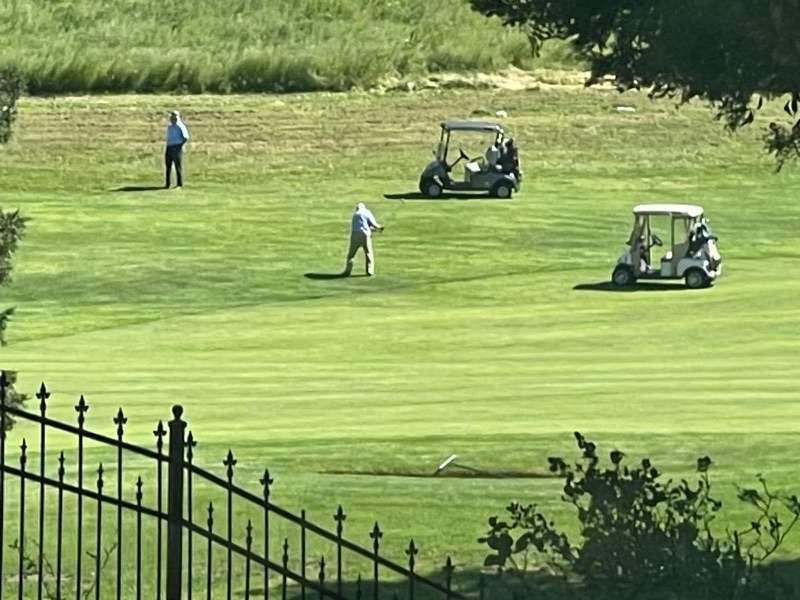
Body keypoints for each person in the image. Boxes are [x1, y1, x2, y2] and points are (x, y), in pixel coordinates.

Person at [343, 203, 384, 277]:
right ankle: (369, 271)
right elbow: (372, 224)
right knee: (368, 253)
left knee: (351, 255)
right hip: (365, 235)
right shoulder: (367, 212)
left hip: (355, 234)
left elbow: (361, 226)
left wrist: (376, 229)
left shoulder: (355, 215)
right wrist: (380, 228)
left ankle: (347, 271)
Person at [164, 110, 190, 189]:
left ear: (178, 117)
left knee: (177, 166)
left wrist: (180, 145)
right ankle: (167, 184)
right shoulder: (170, 127)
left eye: (174, 116)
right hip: (169, 147)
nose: (172, 117)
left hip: (177, 147)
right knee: (168, 166)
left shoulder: (180, 126)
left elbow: (186, 137)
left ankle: (179, 184)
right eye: (171, 116)